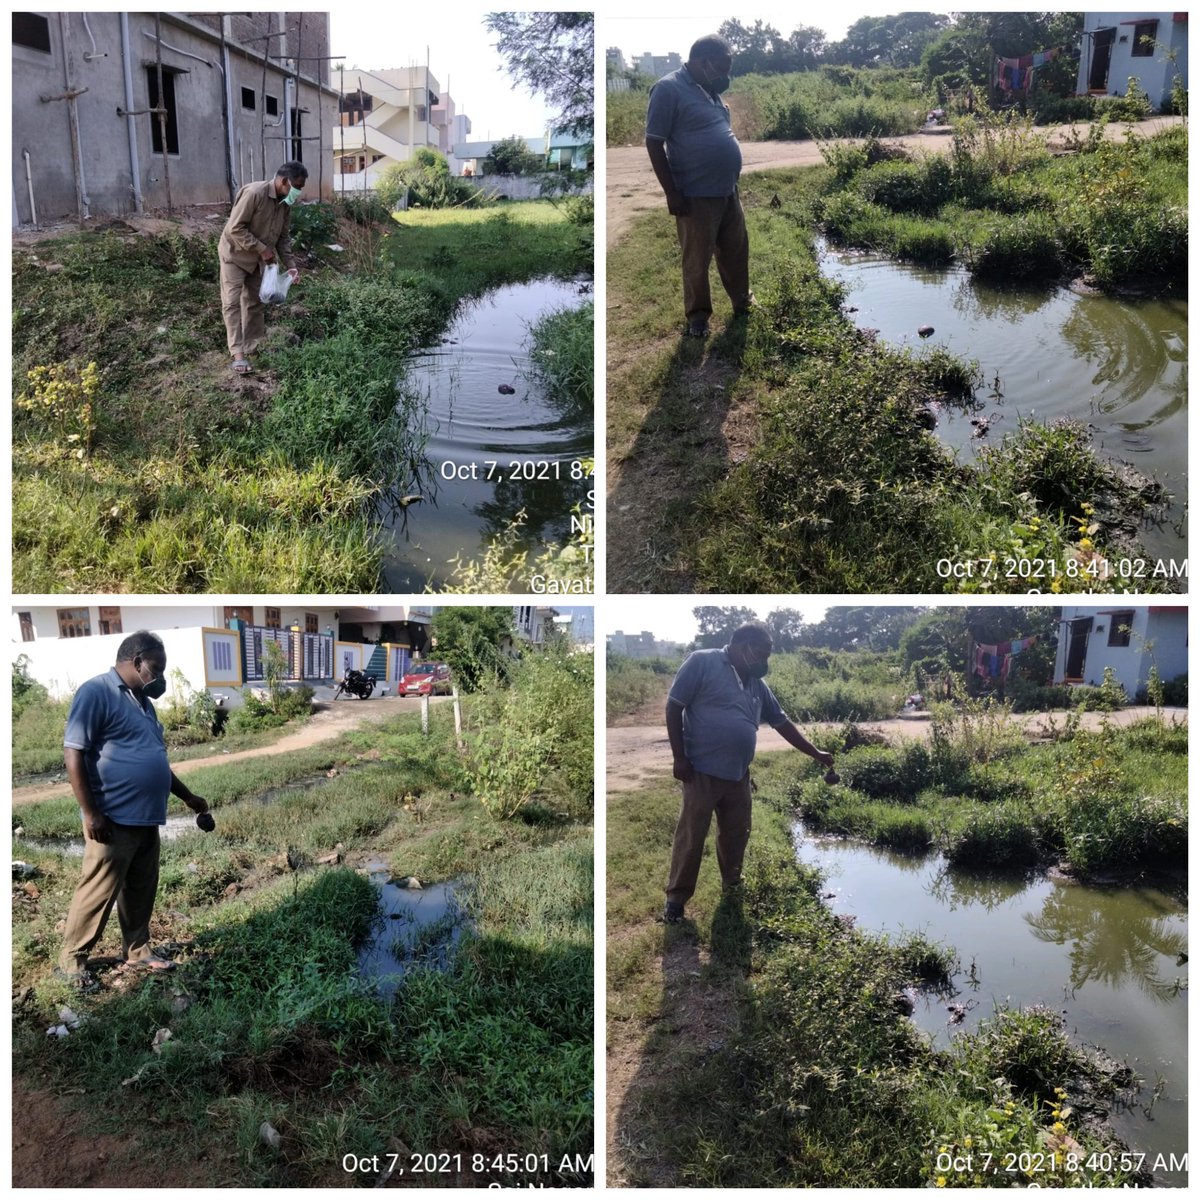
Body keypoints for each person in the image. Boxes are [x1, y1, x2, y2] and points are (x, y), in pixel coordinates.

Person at [56, 632, 210, 991]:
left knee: (141, 890)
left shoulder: (145, 703)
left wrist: (188, 798)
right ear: (137, 661)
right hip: (112, 819)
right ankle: (71, 962)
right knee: (97, 891)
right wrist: (91, 813)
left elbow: (157, 762)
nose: (159, 677)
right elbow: (73, 752)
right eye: (156, 668)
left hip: (146, 818)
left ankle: (138, 952)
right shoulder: (96, 692)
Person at [663, 623, 833, 923]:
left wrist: (815, 753)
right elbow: (674, 706)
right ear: (743, 647)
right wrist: (679, 758)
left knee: (736, 834)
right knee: (692, 836)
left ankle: (732, 887)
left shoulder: (757, 684)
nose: (765, 661)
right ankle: (676, 901)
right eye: (762, 653)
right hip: (700, 771)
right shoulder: (702, 662)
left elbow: (782, 723)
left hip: (738, 775)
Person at [645, 34, 753, 338]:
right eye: (722, 67)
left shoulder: (710, 91)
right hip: (694, 194)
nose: (726, 75)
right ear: (703, 62)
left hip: (728, 190)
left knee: (736, 250)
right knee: (696, 259)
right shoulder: (668, 89)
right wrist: (671, 193)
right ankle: (698, 317)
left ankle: (742, 301)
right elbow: (654, 143)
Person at [219, 161, 306, 374]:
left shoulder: (285, 203)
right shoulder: (254, 194)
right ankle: (238, 355)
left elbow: (283, 238)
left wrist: (292, 266)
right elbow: (235, 228)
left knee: (255, 303)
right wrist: (262, 249)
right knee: (232, 302)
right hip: (235, 256)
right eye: (298, 186)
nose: (299, 191)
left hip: (259, 260)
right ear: (285, 181)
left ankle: (253, 347)